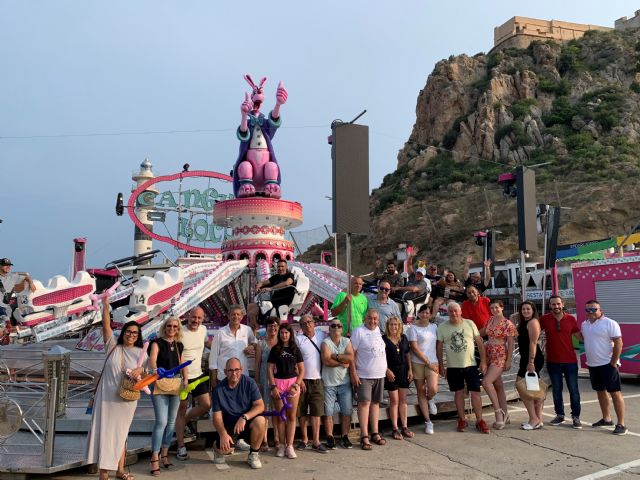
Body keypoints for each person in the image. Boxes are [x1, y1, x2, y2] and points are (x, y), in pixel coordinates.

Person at [87, 297, 145, 480]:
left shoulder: (140, 352)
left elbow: (151, 370)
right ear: (124, 332)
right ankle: (104, 472)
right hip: (106, 396)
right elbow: (106, 325)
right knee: (105, 432)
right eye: (129, 332)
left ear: (138, 335)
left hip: (126, 400)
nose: (131, 335)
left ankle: (120, 470)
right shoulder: (112, 345)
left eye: (135, 333)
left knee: (121, 433)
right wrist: (105, 305)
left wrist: (140, 369)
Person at [437, 302, 489, 434]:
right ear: (447, 313)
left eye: (455, 311)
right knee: (458, 393)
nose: (453, 313)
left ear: (460, 312)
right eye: (450, 311)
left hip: (470, 365)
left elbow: (479, 343)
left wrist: (483, 361)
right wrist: (441, 365)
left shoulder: (470, 323)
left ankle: (479, 420)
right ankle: (461, 419)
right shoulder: (442, 327)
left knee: (476, 393)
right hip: (453, 366)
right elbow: (439, 348)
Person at [580, 300, 627, 435]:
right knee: (600, 392)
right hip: (593, 365)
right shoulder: (585, 324)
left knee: (615, 393)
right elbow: (586, 339)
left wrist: (613, 362)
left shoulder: (610, 323)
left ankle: (621, 423)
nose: (591, 312)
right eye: (588, 310)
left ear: (600, 310)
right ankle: (607, 419)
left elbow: (619, 342)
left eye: (594, 309)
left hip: (608, 364)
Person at [211, 358, 267, 469]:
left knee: (261, 420)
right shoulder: (218, 390)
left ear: (241, 370)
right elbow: (216, 416)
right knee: (226, 450)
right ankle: (217, 448)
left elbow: (260, 406)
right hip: (229, 425)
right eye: (230, 370)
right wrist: (223, 434)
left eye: (237, 370)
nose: (234, 373)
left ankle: (253, 455)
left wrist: (244, 417)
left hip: (245, 422)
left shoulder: (250, 383)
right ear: (225, 371)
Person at [148, 317, 185, 475]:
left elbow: (182, 364)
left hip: (175, 384)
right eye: (169, 326)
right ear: (165, 327)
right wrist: (157, 371)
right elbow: (152, 360)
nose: (172, 328)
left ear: (178, 329)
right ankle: (154, 457)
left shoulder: (179, 345)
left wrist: (186, 381)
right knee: (161, 422)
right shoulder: (156, 343)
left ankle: (165, 454)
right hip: (160, 383)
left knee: (171, 422)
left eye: (175, 326)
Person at [539, 295, 581, 428]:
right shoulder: (544, 319)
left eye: (558, 304)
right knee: (556, 390)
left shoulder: (571, 319)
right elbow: (534, 331)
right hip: (553, 361)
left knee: (573, 390)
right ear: (550, 305)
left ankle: (576, 417)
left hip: (570, 361)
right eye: (553, 304)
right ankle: (560, 415)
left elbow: (580, 336)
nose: (556, 306)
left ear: (562, 304)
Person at [175, 307, 211, 461]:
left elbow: (207, 343)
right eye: (193, 317)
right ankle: (180, 446)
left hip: (198, 375)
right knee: (181, 410)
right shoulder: (180, 331)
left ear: (203, 319)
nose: (196, 320)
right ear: (188, 316)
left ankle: (186, 421)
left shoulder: (203, 329)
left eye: (199, 318)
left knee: (206, 405)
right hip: (182, 377)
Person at [350, 309, 387, 450]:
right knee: (364, 403)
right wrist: (353, 373)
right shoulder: (358, 331)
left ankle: (375, 432)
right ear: (365, 319)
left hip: (379, 374)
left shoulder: (378, 330)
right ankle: (364, 435)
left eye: (375, 319)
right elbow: (351, 354)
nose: (373, 321)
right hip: (364, 374)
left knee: (376, 403)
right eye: (370, 318)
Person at [267, 324, 304, 459]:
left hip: (292, 384)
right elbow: (270, 369)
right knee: (281, 416)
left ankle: (290, 445)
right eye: (282, 333)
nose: (284, 335)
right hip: (278, 383)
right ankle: (282, 445)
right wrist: (273, 386)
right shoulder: (275, 349)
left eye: (286, 332)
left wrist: (297, 384)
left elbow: (301, 369)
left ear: (290, 334)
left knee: (291, 416)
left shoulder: (295, 349)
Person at [480, 299, 516, 430]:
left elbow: (511, 343)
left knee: (486, 382)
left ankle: (499, 414)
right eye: (492, 308)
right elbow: (481, 333)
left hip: (500, 354)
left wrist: (509, 360)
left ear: (502, 308)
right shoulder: (490, 320)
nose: (494, 310)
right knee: (498, 386)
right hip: (489, 353)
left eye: (497, 307)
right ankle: (506, 414)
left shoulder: (508, 324)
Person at [296, 315, 328, 453]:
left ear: (314, 323)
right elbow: (295, 361)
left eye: (309, 322)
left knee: (316, 411)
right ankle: (304, 439)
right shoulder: (298, 339)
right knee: (301, 411)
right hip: (303, 380)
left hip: (317, 379)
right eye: (304, 323)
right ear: (301, 327)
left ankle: (316, 441)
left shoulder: (322, 335)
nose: (307, 325)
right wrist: (299, 379)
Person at [321, 319, 354, 449]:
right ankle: (330, 437)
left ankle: (345, 436)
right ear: (329, 329)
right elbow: (326, 361)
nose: (336, 327)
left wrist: (334, 356)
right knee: (328, 411)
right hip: (329, 383)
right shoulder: (325, 342)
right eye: (333, 325)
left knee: (347, 410)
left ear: (342, 328)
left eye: (339, 325)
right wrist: (341, 362)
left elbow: (350, 358)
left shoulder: (347, 341)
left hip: (344, 382)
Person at [512, 301, 544, 430]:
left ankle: (534, 418)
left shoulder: (533, 322)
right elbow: (515, 335)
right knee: (533, 389)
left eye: (528, 309)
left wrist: (531, 362)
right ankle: (538, 419)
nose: (525, 311)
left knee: (522, 388)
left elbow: (533, 343)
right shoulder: (524, 322)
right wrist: (513, 317)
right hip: (526, 358)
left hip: (532, 359)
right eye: (523, 309)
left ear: (533, 310)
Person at [407, 304, 439, 435]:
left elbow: (438, 344)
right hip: (418, 363)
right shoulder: (412, 328)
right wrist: (427, 362)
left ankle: (430, 399)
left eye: (427, 313)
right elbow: (414, 348)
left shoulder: (434, 327)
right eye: (423, 312)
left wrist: (437, 363)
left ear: (430, 315)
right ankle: (428, 421)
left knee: (433, 389)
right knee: (420, 392)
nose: (425, 315)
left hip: (433, 362)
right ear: (419, 313)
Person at [210, 305, 257, 387]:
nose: (236, 317)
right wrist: (214, 378)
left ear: (242, 317)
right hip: (224, 376)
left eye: (238, 314)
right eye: (233, 314)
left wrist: (252, 346)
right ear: (228, 316)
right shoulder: (220, 333)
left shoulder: (247, 330)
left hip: (242, 375)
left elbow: (255, 341)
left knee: (242, 399)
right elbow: (213, 357)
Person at [383, 316, 413, 440]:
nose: (394, 327)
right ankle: (395, 428)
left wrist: (410, 369)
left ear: (399, 326)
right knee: (394, 401)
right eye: (391, 325)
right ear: (388, 326)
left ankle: (404, 426)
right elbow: (381, 357)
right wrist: (386, 370)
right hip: (391, 372)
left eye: (396, 324)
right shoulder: (383, 339)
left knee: (403, 400)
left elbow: (407, 355)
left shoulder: (404, 338)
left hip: (403, 371)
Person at [254, 316, 280, 451]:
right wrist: (257, 382)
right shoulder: (261, 344)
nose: (273, 328)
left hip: (278, 379)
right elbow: (257, 364)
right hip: (265, 379)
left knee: (276, 409)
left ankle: (276, 438)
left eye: (275, 326)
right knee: (264, 410)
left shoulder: (282, 343)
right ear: (266, 328)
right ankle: (264, 439)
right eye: (270, 326)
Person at [247, 260, 295, 328]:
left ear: (286, 267)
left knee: (252, 313)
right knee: (250, 306)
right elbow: (264, 282)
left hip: (281, 301)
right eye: (278, 266)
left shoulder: (290, 275)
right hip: (273, 299)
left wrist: (271, 288)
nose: (280, 268)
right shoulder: (276, 276)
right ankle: (253, 328)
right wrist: (258, 286)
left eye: (282, 266)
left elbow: (287, 283)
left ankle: (255, 330)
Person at [0, 258, 36, 326]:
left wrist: (31, 283)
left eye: (9, 265)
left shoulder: (12, 276)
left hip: (7, 305)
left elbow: (26, 277)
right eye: (5, 265)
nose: (8, 267)